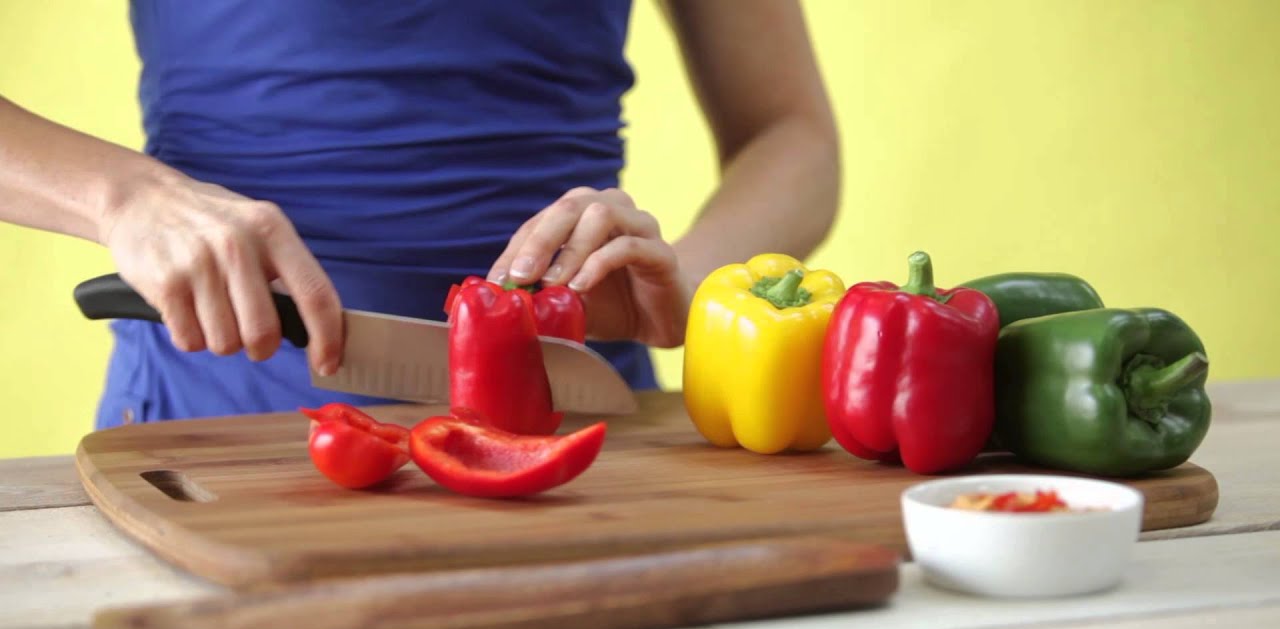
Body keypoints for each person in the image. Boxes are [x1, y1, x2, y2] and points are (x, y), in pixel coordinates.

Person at [0, 1, 839, 429]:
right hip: (213, 415)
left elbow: (792, 133)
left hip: (576, 426)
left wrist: (687, 278)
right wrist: (121, 195)